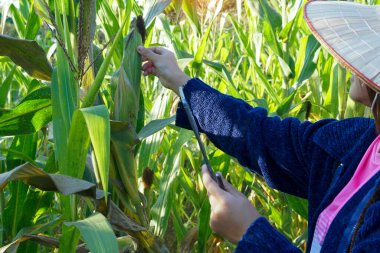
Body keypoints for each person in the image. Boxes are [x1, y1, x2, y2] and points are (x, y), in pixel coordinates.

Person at [137, 1, 380, 252]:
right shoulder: (358, 140)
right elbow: (263, 136)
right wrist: (182, 83)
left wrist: (249, 232)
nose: (347, 62)